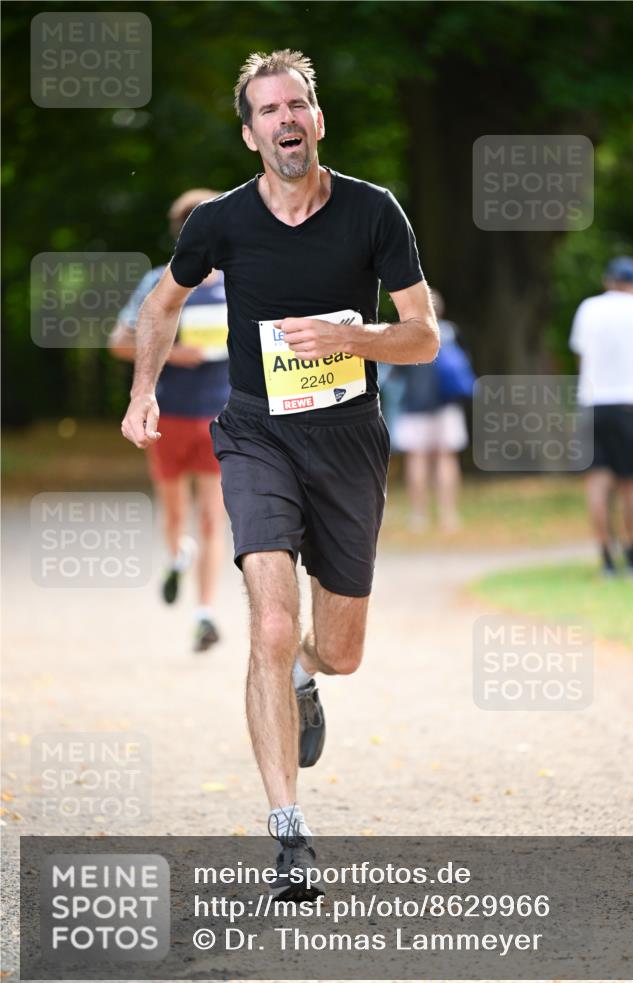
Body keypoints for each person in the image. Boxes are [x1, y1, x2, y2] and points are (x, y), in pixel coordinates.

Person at [120, 49, 438, 893]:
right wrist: (143, 390)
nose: (284, 120)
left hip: (347, 439)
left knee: (339, 652)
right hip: (256, 434)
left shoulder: (374, 212)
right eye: (267, 110)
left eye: (296, 104)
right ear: (249, 131)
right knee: (266, 622)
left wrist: (354, 339)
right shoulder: (219, 221)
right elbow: (162, 304)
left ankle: (305, 675)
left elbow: (422, 335)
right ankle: (288, 832)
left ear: (317, 118)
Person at [110, 189, 230, 651]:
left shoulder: (239, 280)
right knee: (176, 513)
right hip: (168, 414)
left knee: (211, 518)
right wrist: (176, 354)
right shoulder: (160, 280)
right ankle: (179, 557)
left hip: (221, 416)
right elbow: (119, 342)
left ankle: (204, 613)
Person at [569, 256, 633, 576]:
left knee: (597, 482)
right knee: (629, 482)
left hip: (593, 403)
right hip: (630, 405)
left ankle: (606, 558)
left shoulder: (589, 308)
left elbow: (581, 358)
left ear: (609, 281)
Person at [393, 289, 471, 532]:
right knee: (447, 458)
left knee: (417, 458)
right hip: (447, 405)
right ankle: (449, 515)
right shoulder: (450, 332)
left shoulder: (405, 334)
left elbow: (396, 373)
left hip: (415, 405)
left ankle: (419, 516)